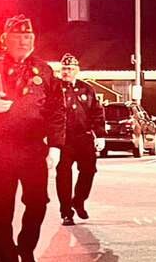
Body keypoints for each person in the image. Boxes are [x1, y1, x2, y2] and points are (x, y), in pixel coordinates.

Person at [0, 15, 66, 262]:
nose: (24, 41)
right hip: (0, 148)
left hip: (32, 147)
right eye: (18, 37)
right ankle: (4, 255)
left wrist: (55, 145)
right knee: (2, 206)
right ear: (4, 40)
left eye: (28, 36)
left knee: (38, 202)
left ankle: (26, 247)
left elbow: (56, 110)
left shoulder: (43, 70)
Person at [55, 53, 105, 226]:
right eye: (64, 68)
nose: (66, 72)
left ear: (77, 70)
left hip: (83, 137)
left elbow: (96, 112)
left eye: (70, 69)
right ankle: (66, 212)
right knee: (63, 175)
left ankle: (79, 200)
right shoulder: (54, 88)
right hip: (63, 139)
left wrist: (100, 135)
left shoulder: (86, 89)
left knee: (89, 171)